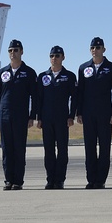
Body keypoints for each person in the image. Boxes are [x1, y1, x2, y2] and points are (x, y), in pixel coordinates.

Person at [0, 39, 38, 190]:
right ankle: (8, 180)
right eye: (10, 50)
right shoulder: (1, 73)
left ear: (22, 52)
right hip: (4, 115)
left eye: (16, 50)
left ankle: (18, 181)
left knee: (19, 148)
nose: (13, 53)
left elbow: (35, 96)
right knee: (7, 149)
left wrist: (32, 116)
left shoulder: (29, 73)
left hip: (21, 116)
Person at [75, 37, 112, 189]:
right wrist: (78, 112)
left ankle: (101, 179)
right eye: (93, 47)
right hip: (88, 113)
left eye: (98, 47)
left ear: (104, 50)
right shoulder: (83, 68)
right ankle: (91, 178)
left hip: (105, 114)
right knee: (90, 147)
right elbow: (80, 92)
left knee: (104, 147)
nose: (95, 50)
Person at [35, 45, 76, 189]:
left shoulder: (69, 76)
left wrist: (72, 115)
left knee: (62, 150)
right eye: (52, 56)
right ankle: (50, 179)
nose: (54, 58)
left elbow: (75, 98)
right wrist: (38, 118)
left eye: (57, 56)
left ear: (63, 58)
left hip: (62, 119)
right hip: (46, 119)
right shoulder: (42, 76)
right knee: (49, 150)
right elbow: (38, 99)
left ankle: (60, 179)